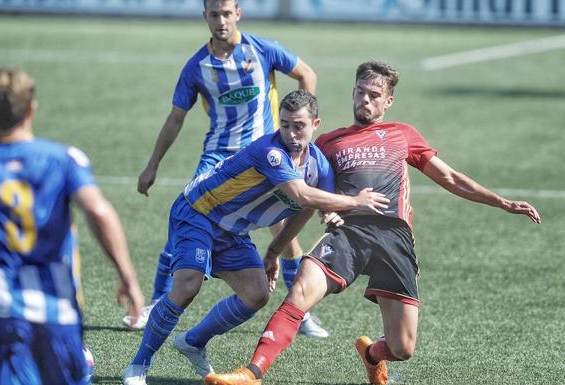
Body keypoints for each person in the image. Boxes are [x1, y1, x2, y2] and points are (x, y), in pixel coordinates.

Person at [204, 60, 541, 385]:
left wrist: (502, 202)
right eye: (361, 92)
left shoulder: (402, 134)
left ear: (388, 101)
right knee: (300, 292)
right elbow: (308, 200)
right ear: (353, 92)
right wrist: (276, 250)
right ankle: (253, 373)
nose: (365, 100)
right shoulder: (328, 143)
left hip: (394, 239)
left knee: (402, 348)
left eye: (374, 95)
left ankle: (373, 354)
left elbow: (450, 178)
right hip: (347, 234)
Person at [122, 90, 390, 385]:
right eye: (284, 124)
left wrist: (275, 251)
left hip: (232, 230)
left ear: (315, 124)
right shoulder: (271, 152)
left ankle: (193, 341)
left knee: (257, 294)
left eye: (298, 125)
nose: (290, 132)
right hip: (198, 211)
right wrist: (354, 201)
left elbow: (310, 207)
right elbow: (301, 195)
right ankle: (138, 365)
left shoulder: (319, 167)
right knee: (187, 285)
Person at [126, 0, 329, 338]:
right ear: (205, 16)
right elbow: (177, 117)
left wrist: (300, 130)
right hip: (218, 157)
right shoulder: (197, 66)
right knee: (187, 220)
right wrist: (152, 165)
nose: (221, 21)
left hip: (266, 156)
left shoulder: (261, 49)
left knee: (283, 228)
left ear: (238, 13)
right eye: (214, 14)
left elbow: (307, 74)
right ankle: (157, 301)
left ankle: (298, 311)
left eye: (226, 13)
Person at [0, 67, 145, 385]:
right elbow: (99, 212)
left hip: (2, 316)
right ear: (32, 108)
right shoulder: (63, 160)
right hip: (58, 312)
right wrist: (128, 278)